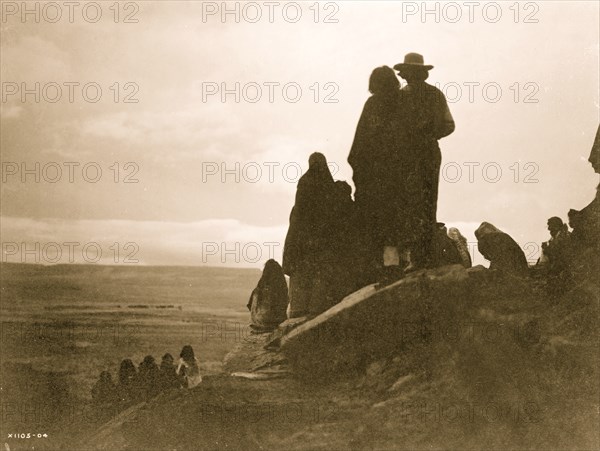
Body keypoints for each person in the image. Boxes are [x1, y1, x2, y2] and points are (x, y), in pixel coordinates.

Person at [394, 53, 455, 271]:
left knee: (411, 204)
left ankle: (418, 257)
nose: (404, 76)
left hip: (410, 156)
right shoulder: (435, 94)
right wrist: (431, 134)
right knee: (428, 204)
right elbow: (449, 125)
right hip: (429, 153)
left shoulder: (401, 96)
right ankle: (425, 255)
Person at [348, 66, 406, 282]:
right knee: (393, 223)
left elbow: (359, 146)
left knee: (375, 223)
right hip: (397, 176)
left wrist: (361, 173)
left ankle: (378, 270)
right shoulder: (404, 102)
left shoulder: (372, 105)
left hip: (373, 177)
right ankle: (394, 266)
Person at [282, 152, 339, 318]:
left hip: (302, 240)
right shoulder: (328, 186)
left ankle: (299, 311)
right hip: (321, 239)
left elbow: (299, 213)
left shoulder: (304, 183)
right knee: (318, 274)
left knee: (303, 274)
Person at [247, 259, 289, 332]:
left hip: (256, 322)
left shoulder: (257, 289)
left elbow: (249, 305)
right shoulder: (278, 289)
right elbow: (283, 305)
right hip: (270, 323)